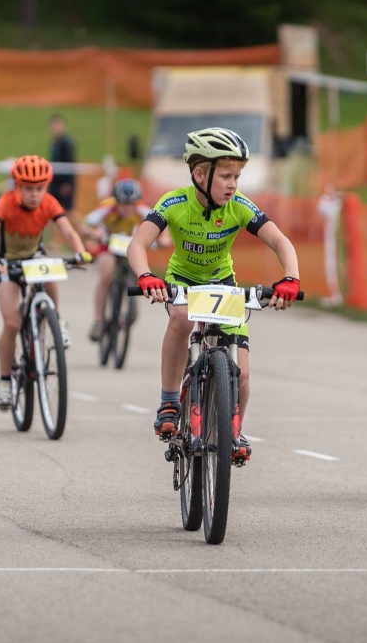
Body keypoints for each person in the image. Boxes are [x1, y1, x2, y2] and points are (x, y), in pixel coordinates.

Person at [126, 127, 301, 463]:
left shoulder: (238, 207)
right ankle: (169, 400)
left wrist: (290, 278)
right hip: (184, 280)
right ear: (200, 173)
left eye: (237, 175)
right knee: (180, 316)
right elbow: (138, 243)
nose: (233, 184)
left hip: (224, 283)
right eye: (225, 176)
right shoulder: (175, 203)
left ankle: (233, 431)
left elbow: (281, 241)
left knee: (242, 371)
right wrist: (146, 275)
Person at [0, 155, 91, 410]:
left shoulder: (49, 202)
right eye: (28, 188)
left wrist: (80, 253)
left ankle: (57, 319)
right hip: (7, 264)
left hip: (34, 258)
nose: (34, 194)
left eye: (39, 188)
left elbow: (68, 231)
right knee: (11, 324)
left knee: (50, 267)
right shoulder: (6, 202)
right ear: (17, 186)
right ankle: (5, 381)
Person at [80, 178, 163, 342]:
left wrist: (163, 240)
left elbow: (162, 225)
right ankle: (98, 319)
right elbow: (84, 224)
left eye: (131, 204)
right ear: (116, 201)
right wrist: (93, 233)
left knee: (139, 268)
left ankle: (132, 309)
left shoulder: (142, 209)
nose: (127, 208)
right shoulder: (106, 207)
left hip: (129, 245)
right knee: (107, 273)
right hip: (108, 244)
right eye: (123, 204)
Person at [48, 114, 76, 212]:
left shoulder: (67, 143)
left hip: (63, 183)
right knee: (52, 209)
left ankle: (85, 227)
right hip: (55, 182)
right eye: (54, 124)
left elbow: (70, 164)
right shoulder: (55, 142)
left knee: (69, 211)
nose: (56, 127)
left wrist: (67, 183)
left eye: (58, 124)